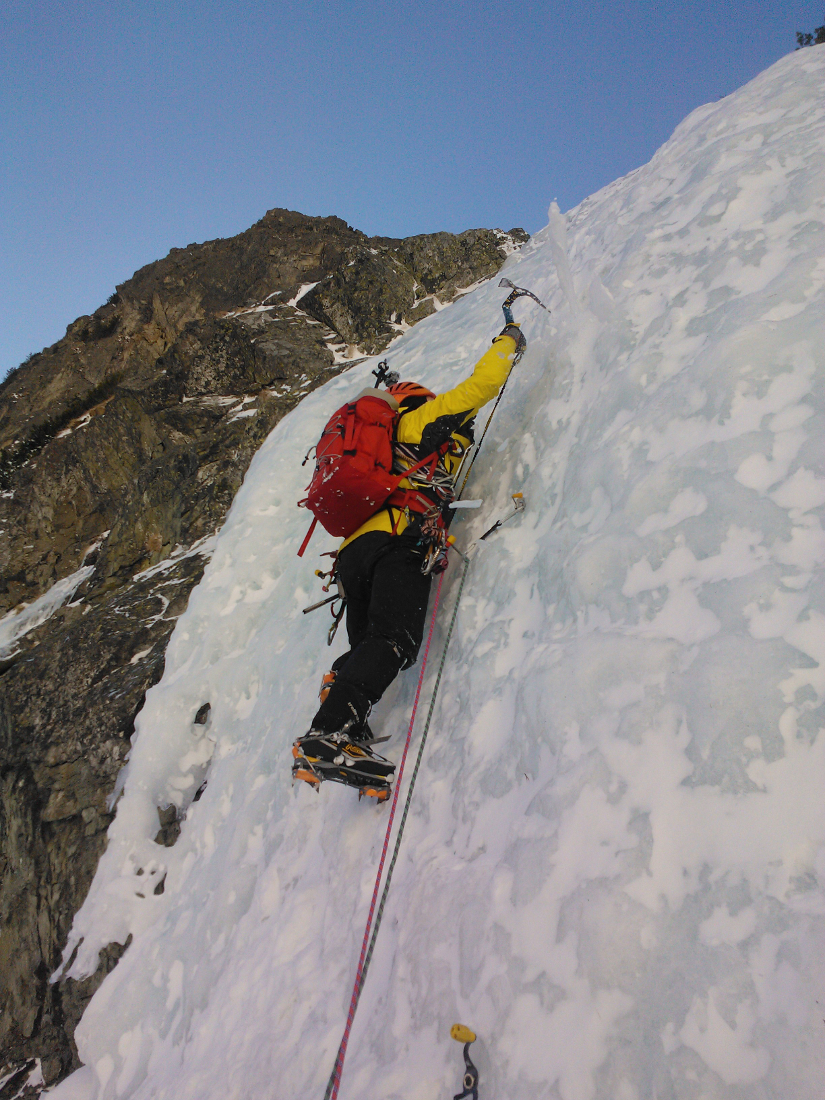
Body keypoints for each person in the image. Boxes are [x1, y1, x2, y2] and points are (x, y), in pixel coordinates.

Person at [292, 320, 526, 796]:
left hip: (352, 556)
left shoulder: (376, 446)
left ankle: (349, 729)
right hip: (397, 539)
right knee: (395, 638)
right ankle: (329, 733)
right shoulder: (417, 421)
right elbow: (480, 387)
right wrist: (508, 341)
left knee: (371, 644)